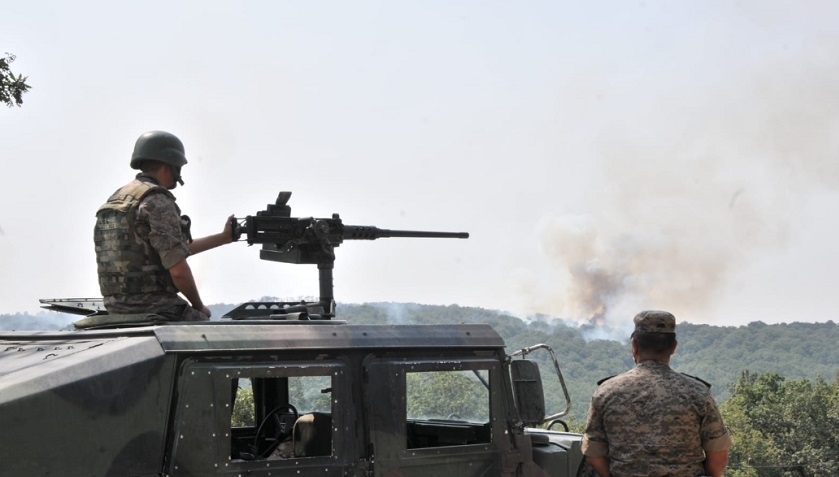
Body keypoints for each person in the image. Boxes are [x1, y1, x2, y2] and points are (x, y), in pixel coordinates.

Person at [94, 130, 233, 322]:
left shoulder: (119, 199)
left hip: (116, 308)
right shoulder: (156, 201)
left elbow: (170, 249)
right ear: (169, 166)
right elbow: (178, 270)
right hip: (156, 306)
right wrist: (199, 307)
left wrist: (223, 238)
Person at [581, 310, 732, 477]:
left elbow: (593, 456)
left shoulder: (605, 392)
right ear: (674, 347)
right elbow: (718, 457)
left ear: (634, 346)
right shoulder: (698, 393)